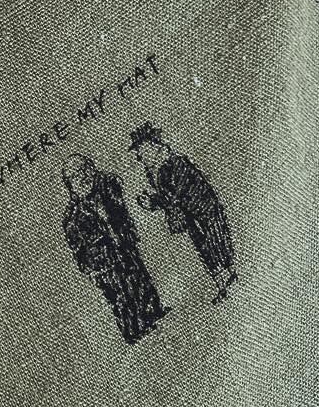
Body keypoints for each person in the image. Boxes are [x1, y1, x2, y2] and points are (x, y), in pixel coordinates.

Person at [61, 154, 169, 343]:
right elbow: (78, 250)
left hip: (124, 245)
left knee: (139, 278)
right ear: (70, 184)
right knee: (120, 295)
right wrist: (90, 270)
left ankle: (153, 311)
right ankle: (133, 330)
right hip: (104, 262)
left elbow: (116, 193)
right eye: (76, 175)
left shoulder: (105, 188)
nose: (83, 176)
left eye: (85, 169)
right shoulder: (73, 217)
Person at [129, 124, 236, 298]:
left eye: (140, 150)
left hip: (202, 209)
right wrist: (153, 202)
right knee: (204, 247)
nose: (139, 157)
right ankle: (222, 285)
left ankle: (231, 274)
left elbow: (176, 194)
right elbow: (169, 197)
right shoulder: (155, 171)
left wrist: (156, 201)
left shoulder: (174, 163)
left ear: (152, 145)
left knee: (215, 240)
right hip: (190, 215)